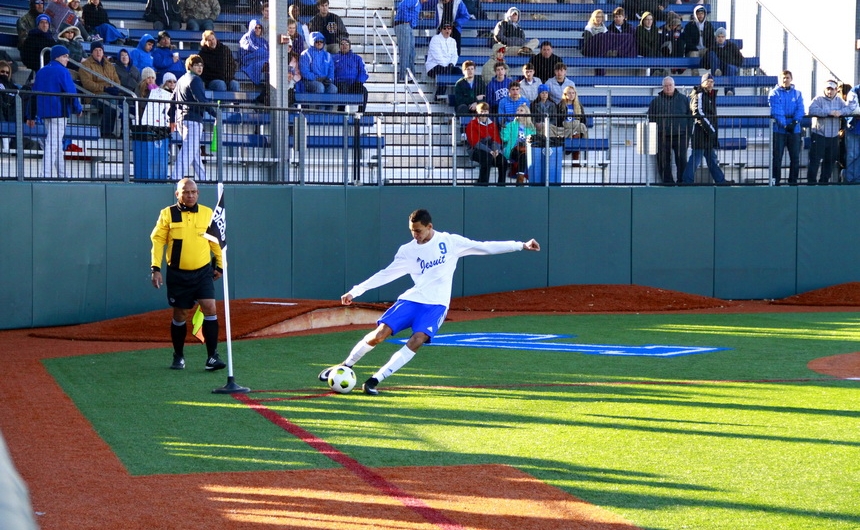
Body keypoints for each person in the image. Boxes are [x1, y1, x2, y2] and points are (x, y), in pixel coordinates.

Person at [318, 208, 540, 395]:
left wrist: (521, 245)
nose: (415, 235)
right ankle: (344, 366)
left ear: (430, 227)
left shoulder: (450, 242)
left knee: (418, 339)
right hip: (412, 299)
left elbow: (485, 246)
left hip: (436, 305)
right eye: (412, 231)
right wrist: (355, 291)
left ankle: (375, 380)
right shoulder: (407, 251)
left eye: (418, 231)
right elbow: (386, 274)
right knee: (380, 334)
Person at [150, 178, 226, 372]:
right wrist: (155, 268)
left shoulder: (207, 213)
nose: (190, 195)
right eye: (185, 192)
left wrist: (220, 265)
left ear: (198, 193)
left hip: (202, 272)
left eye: (193, 192)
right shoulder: (168, 214)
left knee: (210, 307)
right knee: (180, 314)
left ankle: (212, 357)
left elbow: (215, 241)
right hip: (178, 275)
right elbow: (158, 241)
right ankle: (178, 355)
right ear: (178, 194)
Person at [27, 45, 82, 179]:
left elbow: (33, 94)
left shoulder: (41, 71)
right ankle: (44, 176)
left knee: (55, 144)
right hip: (59, 112)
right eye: (65, 56)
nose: (67, 59)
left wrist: (30, 114)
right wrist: (77, 108)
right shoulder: (63, 71)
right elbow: (71, 92)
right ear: (57, 57)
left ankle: (62, 174)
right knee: (52, 144)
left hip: (45, 113)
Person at [168, 55, 216, 180]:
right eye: (196, 65)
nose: (200, 68)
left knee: (194, 153)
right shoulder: (195, 80)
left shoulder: (181, 79)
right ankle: (175, 178)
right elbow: (201, 100)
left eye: (201, 65)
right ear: (190, 66)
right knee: (189, 151)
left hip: (181, 120)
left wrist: (172, 119)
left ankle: (203, 179)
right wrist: (217, 113)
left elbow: (172, 101)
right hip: (193, 120)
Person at [681, 72, 731, 185]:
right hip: (700, 133)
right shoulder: (700, 94)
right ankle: (686, 181)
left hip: (708, 134)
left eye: (712, 81)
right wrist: (711, 129)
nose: (710, 84)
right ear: (703, 83)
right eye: (708, 81)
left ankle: (720, 180)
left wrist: (711, 131)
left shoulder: (709, 95)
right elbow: (698, 112)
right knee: (696, 158)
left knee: (711, 159)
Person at [647, 75, 692, 184]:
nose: (668, 88)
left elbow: (691, 118)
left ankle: (682, 182)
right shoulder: (655, 102)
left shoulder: (684, 100)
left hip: (681, 135)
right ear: (662, 87)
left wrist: (688, 133)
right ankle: (668, 183)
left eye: (670, 85)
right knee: (663, 161)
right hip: (662, 135)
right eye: (666, 86)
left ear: (674, 85)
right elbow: (651, 119)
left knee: (681, 160)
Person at [806, 80, 847, 185]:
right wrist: (829, 113)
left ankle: (823, 183)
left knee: (830, 161)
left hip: (833, 136)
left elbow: (848, 110)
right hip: (819, 135)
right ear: (824, 89)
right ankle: (811, 184)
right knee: (814, 161)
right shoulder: (818, 99)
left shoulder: (840, 101)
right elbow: (811, 110)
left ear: (836, 90)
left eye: (832, 89)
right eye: (828, 89)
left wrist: (840, 112)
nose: (830, 91)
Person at [768, 70, 805, 185]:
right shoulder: (774, 93)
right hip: (779, 130)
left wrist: (794, 123)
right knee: (777, 158)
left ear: (791, 79)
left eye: (787, 77)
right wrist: (784, 124)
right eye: (783, 78)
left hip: (795, 130)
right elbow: (776, 110)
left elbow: (800, 109)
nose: (785, 80)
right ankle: (776, 181)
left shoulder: (798, 93)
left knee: (795, 158)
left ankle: (793, 182)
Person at [79, 40, 121, 138]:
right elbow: (87, 84)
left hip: (110, 93)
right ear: (91, 52)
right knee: (112, 103)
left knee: (126, 102)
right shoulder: (86, 65)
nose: (98, 52)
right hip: (93, 96)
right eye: (96, 50)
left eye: (100, 50)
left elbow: (116, 80)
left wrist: (115, 88)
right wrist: (104, 88)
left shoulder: (109, 65)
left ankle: (124, 132)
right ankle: (105, 132)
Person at [465, 102, 506, 185]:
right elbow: (475, 143)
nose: (483, 113)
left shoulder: (492, 124)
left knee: (503, 161)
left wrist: (496, 150)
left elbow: (496, 140)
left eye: (485, 111)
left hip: (491, 150)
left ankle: (501, 185)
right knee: (487, 158)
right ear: (477, 112)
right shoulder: (472, 124)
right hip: (476, 150)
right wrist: (490, 151)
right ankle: (483, 184)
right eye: (481, 111)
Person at [701, 27, 743, 95]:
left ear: (725, 37)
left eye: (722, 37)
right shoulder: (712, 47)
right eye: (719, 36)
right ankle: (716, 71)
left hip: (729, 68)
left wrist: (733, 63)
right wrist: (709, 63)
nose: (720, 38)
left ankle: (729, 91)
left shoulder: (732, 46)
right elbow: (704, 62)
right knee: (711, 54)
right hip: (718, 67)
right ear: (716, 37)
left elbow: (740, 59)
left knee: (731, 68)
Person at [501, 103, 536, 183]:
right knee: (522, 154)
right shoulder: (510, 125)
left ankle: (520, 179)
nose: (518, 112)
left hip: (526, 150)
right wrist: (503, 130)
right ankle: (520, 179)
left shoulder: (531, 127)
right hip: (513, 149)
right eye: (517, 110)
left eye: (521, 110)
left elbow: (533, 140)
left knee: (523, 154)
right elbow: (505, 139)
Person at [333, 37, 369, 112]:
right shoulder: (334, 58)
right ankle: (341, 112)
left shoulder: (357, 58)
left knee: (364, 91)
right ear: (339, 46)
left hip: (354, 84)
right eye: (342, 44)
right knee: (342, 89)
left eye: (346, 44)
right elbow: (330, 71)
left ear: (350, 46)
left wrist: (359, 81)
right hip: (340, 83)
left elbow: (364, 71)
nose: (344, 46)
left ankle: (360, 114)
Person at [425, 23, 461, 93]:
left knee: (459, 72)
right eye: (445, 28)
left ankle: (459, 95)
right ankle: (439, 95)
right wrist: (446, 66)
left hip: (448, 67)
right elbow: (437, 56)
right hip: (433, 67)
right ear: (441, 30)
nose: (447, 30)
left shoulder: (453, 41)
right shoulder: (435, 39)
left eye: (449, 28)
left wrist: (451, 64)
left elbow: (455, 55)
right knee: (444, 71)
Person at [555, 85, 588, 162]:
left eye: (573, 93)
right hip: (564, 128)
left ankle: (573, 155)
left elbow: (583, 119)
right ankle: (574, 159)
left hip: (575, 128)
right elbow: (559, 121)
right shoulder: (560, 105)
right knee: (576, 133)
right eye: (569, 93)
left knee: (578, 132)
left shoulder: (579, 105)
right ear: (565, 95)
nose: (571, 95)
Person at [393, 0, 421, 82]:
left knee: (411, 52)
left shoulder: (419, 4)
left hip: (409, 27)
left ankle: (411, 75)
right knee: (405, 51)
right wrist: (406, 20)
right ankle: (403, 76)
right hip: (403, 25)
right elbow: (402, 5)